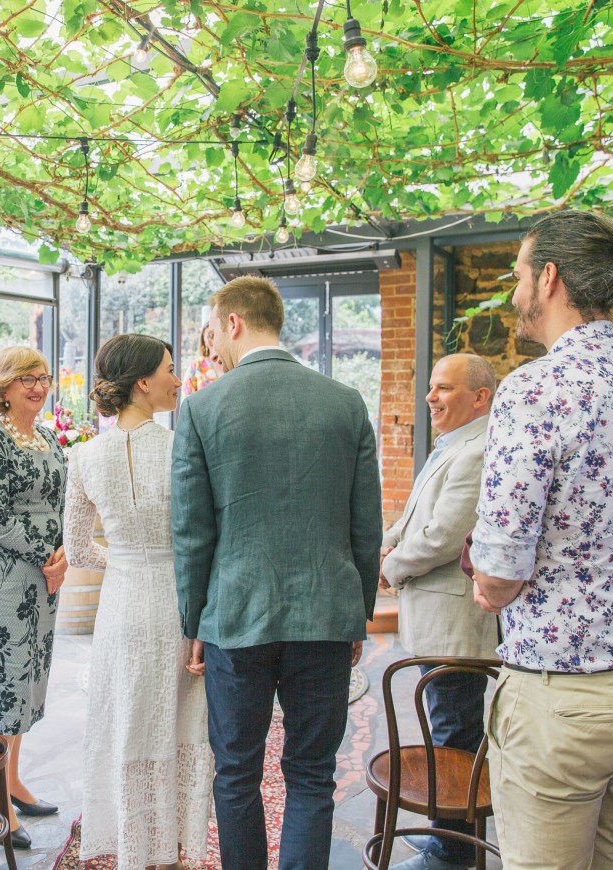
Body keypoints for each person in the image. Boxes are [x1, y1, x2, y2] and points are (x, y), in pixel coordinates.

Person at [469, 210, 613, 870]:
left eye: (518, 275)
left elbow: (500, 569)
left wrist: (488, 583)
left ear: (548, 278)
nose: (515, 292)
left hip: (567, 695)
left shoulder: (535, 388)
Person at [172, 276, 382, 870]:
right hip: (325, 614)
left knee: (236, 771)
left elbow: (191, 532)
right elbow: (366, 524)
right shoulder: (345, 403)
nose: (212, 346)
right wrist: (357, 612)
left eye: (212, 332)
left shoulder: (202, 408)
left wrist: (194, 622)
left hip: (235, 616)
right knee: (312, 773)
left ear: (234, 322)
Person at [65, 334, 212, 870]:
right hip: (174, 601)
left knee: (127, 716)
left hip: (121, 607)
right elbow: (202, 538)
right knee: (177, 720)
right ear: (144, 382)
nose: (178, 378)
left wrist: (125, 559)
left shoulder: (83, 456)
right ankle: (171, 847)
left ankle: (134, 847)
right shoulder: (181, 448)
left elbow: (79, 549)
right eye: (170, 369)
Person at [379, 353, 499, 870]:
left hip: (455, 625)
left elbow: (444, 537)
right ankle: (446, 836)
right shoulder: (452, 445)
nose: (431, 396)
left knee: (454, 735)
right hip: (436, 619)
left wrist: (390, 569)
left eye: (445, 387)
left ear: (480, 396)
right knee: (446, 726)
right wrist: (383, 546)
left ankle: (452, 853)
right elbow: (413, 521)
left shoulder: (480, 450)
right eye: (432, 386)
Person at [0, 345, 68, 850]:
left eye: (43, 377)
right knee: (0, 683)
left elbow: (59, 506)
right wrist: (50, 553)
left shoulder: (47, 436)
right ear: (3, 385)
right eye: (27, 378)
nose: (38, 387)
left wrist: (62, 555)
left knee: (26, 682)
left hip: (43, 578)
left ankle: (13, 780)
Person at [180, 324, 221, 396]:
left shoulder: (230, 362)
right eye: (209, 336)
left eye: (215, 335)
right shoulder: (196, 364)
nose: (212, 339)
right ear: (203, 339)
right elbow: (188, 394)